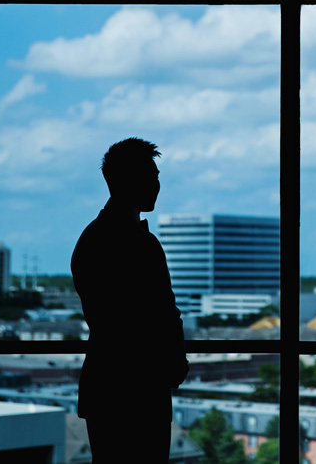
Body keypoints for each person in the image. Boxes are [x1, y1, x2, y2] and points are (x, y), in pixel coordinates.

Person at [71, 137, 188, 462]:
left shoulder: (91, 239)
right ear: (129, 181)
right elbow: (163, 314)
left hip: (106, 386)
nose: (156, 185)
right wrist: (175, 363)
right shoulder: (141, 245)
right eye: (151, 177)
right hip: (141, 389)